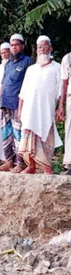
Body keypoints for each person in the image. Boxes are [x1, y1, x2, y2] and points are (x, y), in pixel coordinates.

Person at [17, 35, 63, 174]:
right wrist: (20, 110)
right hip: (29, 109)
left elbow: (61, 90)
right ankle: (31, 166)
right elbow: (23, 92)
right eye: (40, 47)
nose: (42, 49)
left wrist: (60, 107)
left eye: (45, 46)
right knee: (28, 135)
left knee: (46, 135)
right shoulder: (31, 69)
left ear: (50, 48)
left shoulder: (57, 67)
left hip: (46, 109)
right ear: (36, 50)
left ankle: (47, 167)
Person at [0, 33, 35, 172]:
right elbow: (3, 84)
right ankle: (9, 161)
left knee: (18, 134)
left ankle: (20, 163)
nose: (14, 47)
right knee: (6, 133)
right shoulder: (8, 64)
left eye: (17, 44)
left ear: (23, 46)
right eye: (12, 45)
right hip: (5, 102)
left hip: (18, 103)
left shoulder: (28, 62)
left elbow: (30, 84)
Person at [59, 41, 71, 175]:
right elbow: (64, 83)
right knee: (70, 130)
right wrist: (61, 105)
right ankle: (70, 164)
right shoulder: (67, 58)